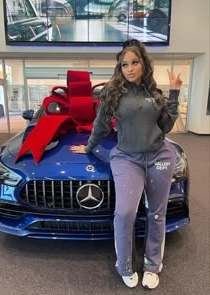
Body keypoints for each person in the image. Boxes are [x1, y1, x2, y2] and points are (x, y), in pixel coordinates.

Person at [70, 38, 182, 290]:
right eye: (124, 65)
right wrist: (88, 147)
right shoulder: (113, 92)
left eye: (135, 62)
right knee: (124, 214)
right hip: (127, 158)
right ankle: (125, 265)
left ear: (143, 63)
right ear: (119, 68)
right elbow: (100, 124)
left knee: (156, 213)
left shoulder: (155, 94)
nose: (130, 68)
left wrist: (174, 93)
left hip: (159, 157)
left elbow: (166, 126)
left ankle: (153, 265)